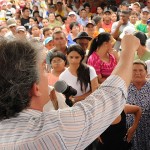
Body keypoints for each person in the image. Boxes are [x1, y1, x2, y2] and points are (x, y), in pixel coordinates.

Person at [0, 35, 140, 149]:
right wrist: (128, 50)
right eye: (43, 69)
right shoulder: (51, 131)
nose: (48, 74)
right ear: (35, 88)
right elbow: (112, 95)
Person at [126, 60, 150, 150]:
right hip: (129, 130)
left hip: (147, 129)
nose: (137, 73)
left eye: (140, 70)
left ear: (146, 72)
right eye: (134, 70)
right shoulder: (125, 87)